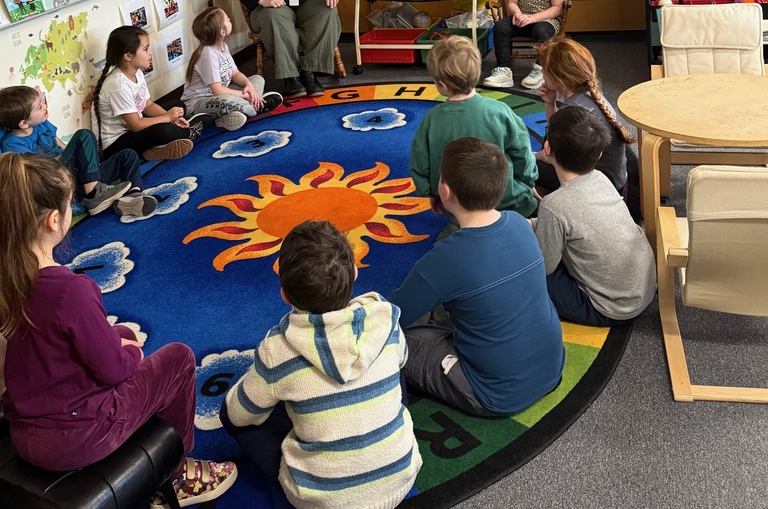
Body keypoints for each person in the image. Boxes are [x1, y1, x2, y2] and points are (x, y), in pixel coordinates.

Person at [0, 152, 237, 505]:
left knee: (117, 337)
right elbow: (114, 370)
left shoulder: (8, 281)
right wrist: (128, 347)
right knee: (178, 358)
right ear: (54, 220)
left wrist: (113, 337)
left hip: (24, 434)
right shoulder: (70, 290)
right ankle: (177, 473)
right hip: (80, 437)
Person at [220, 220, 421, 509]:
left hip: (324, 501)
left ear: (284, 295)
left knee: (231, 412)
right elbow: (400, 361)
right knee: (392, 367)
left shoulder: (278, 349)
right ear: (354, 273)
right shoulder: (385, 319)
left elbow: (239, 416)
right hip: (401, 479)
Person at [391, 137, 564, 417]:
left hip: (492, 393)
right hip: (551, 367)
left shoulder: (446, 257)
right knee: (454, 300)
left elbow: (392, 316)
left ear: (445, 192)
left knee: (392, 339)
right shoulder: (521, 224)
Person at [531, 105, 656, 326]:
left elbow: (544, 267)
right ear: (598, 153)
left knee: (528, 268)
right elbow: (581, 220)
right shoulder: (600, 177)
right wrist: (534, 224)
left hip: (607, 308)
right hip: (643, 288)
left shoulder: (553, 205)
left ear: (547, 149)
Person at [411, 35, 538, 218]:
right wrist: (529, 182)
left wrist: (431, 192)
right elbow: (522, 153)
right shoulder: (501, 111)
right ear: (477, 72)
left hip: (459, 204)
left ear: (441, 85)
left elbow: (420, 162)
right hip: (507, 199)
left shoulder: (431, 119)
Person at [0, 85, 156, 219]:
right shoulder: (13, 145)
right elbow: (37, 176)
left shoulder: (41, 124)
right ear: (24, 123)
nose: (45, 106)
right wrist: (72, 156)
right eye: (40, 107)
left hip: (81, 177)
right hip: (59, 183)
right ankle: (93, 195)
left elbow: (62, 146)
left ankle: (133, 196)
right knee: (84, 135)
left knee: (128, 155)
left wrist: (83, 160)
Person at [534, 36, 633, 194]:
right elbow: (558, 129)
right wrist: (550, 103)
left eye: (544, 71)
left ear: (557, 76)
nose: (543, 76)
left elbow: (553, 156)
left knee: (526, 168)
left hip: (598, 188)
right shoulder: (591, 95)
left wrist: (534, 157)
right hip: (616, 181)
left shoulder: (573, 110)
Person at [94, 26, 200, 162]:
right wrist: (167, 118)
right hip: (115, 145)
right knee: (165, 130)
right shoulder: (118, 85)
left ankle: (155, 148)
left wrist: (172, 118)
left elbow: (147, 105)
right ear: (128, 56)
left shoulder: (136, 72)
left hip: (134, 130)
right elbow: (136, 125)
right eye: (145, 49)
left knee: (178, 106)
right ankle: (185, 132)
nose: (150, 53)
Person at [181, 7, 283, 131]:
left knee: (258, 79)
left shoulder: (223, 46)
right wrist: (244, 95)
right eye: (227, 19)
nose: (230, 19)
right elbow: (217, 91)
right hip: (199, 103)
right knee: (227, 100)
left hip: (221, 93)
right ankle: (258, 106)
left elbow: (234, 73)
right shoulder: (208, 54)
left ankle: (225, 116)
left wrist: (248, 85)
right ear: (222, 31)